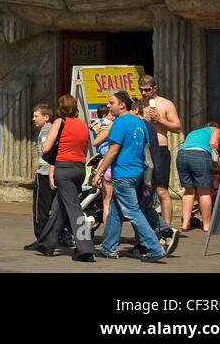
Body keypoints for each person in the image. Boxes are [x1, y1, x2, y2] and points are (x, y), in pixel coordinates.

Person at [91, 91, 165, 262]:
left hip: (123, 174)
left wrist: (99, 172)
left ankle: (155, 248)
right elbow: (146, 150)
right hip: (138, 173)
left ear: (122, 105)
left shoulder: (119, 123)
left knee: (133, 211)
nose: (109, 106)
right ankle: (108, 247)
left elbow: (112, 151)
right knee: (115, 211)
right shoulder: (140, 122)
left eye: (111, 103)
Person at [28, 94, 94, 261]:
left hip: (64, 169)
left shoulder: (59, 122)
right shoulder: (83, 124)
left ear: (61, 108)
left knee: (74, 209)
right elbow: (86, 147)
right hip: (79, 168)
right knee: (59, 207)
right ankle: (46, 244)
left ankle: (85, 249)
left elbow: (46, 148)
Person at [138, 74, 180, 227]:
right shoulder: (138, 105)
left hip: (160, 150)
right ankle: (144, 229)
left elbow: (177, 127)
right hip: (142, 149)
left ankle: (167, 228)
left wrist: (160, 120)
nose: (144, 93)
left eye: (147, 90)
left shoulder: (166, 104)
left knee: (161, 190)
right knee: (144, 190)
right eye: (141, 90)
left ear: (154, 88)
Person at [177, 120, 220, 233]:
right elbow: (213, 144)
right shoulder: (215, 130)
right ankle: (207, 225)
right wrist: (217, 161)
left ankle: (185, 224)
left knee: (188, 191)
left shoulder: (194, 132)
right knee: (204, 192)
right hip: (199, 156)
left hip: (182, 155)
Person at [31, 103, 53, 239]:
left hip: (44, 173)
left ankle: (41, 237)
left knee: (40, 208)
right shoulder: (50, 129)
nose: (34, 119)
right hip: (50, 173)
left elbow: (47, 150)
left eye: (36, 116)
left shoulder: (46, 130)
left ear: (46, 117)